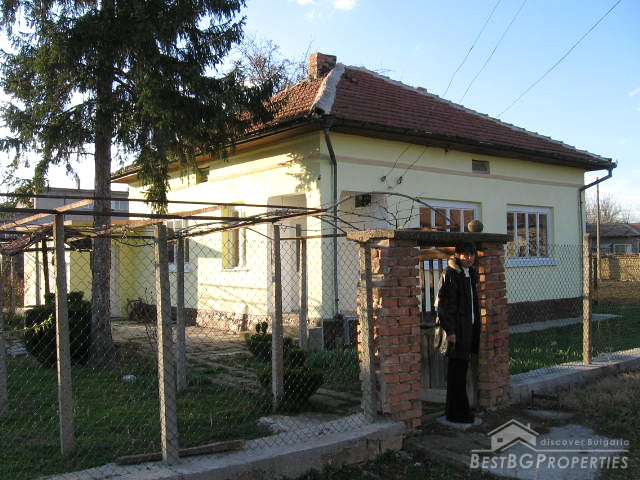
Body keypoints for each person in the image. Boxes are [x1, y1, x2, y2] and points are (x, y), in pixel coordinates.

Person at [436, 242, 480, 424]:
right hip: (457, 332)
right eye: (464, 254)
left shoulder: (471, 274)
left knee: (461, 372)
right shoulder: (451, 274)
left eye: (471, 254)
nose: (468, 258)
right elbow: (444, 306)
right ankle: (458, 414)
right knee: (457, 374)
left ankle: (455, 411)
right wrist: (451, 331)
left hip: (469, 329)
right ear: (457, 256)